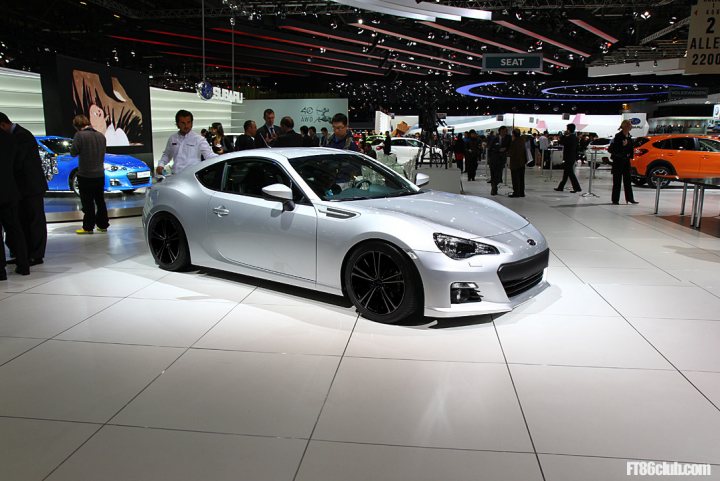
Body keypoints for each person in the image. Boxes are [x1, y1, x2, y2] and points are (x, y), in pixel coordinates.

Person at [0, 112, 47, 266]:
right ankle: (25, 254)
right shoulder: (17, 135)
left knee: (35, 220)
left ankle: (36, 255)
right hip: (22, 188)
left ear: (3, 124)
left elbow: (18, 162)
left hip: (31, 186)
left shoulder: (22, 135)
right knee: (24, 221)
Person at [70, 114, 109, 234]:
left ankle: (88, 226)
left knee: (87, 202)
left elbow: (73, 152)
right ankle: (103, 225)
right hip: (99, 174)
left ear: (77, 126)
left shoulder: (79, 135)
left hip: (85, 175)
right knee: (100, 200)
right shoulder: (101, 136)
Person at [0, 130, 30, 278]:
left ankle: (1, 271)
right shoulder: (10, 138)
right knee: (15, 229)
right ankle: (24, 265)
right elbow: (18, 163)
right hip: (10, 189)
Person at [156, 109, 216, 176]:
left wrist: (225, 158)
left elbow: (209, 156)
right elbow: (167, 155)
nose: (186, 126)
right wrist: (160, 165)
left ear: (192, 123)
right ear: (177, 124)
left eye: (188, 122)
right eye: (183, 123)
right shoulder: (172, 138)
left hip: (192, 177)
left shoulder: (199, 139)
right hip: (175, 176)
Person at [609, 120, 638, 205]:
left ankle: (630, 198)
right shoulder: (618, 136)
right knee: (617, 181)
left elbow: (630, 148)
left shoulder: (629, 136)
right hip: (618, 161)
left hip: (626, 161)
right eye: (630, 125)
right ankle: (615, 200)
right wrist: (623, 146)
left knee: (628, 180)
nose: (631, 126)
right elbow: (615, 149)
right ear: (625, 126)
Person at [554, 123, 582, 193]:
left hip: (568, 157)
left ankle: (577, 188)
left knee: (570, 173)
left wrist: (563, 135)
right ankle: (561, 187)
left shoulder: (570, 137)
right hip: (571, 157)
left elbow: (561, 142)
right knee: (566, 173)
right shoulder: (575, 137)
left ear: (568, 129)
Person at [487, 126, 511, 196]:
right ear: (499, 131)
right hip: (493, 159)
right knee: (493, 174)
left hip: (501, 159)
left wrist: (505, 150)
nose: (504, 133)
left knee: (498, 174)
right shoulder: (494, 138)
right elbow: (490, 148)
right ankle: (493, 188)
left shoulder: (508, 138)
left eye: (505, 131)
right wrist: (498, 150)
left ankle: (495, 186)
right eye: (503, 131)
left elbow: (509, 147)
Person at [508, 128, 528, 197]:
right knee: (521, 178)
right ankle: (521, 192)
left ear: (513, 134)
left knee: (515, 178)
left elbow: (511, 153)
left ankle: (516, 192)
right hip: (522, 163)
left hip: (515, 163)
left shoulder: (514, 142)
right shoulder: (522, 141)